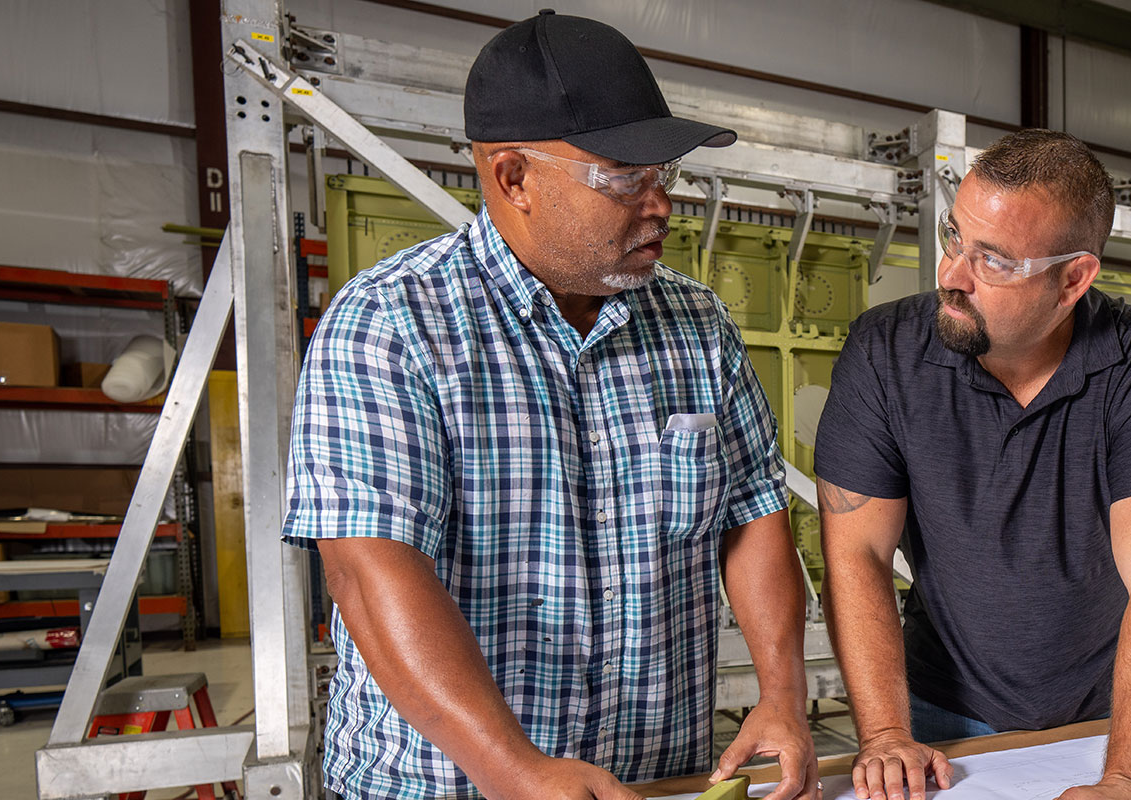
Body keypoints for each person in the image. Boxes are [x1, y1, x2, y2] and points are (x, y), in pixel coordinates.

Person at [282, 12, 816, 800]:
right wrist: (511, 766)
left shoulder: (697, 326)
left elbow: (754, 514)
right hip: (448, 785)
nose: (661, 204)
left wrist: (781, 693)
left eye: (664, 175)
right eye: (625, 179)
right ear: (513, 178)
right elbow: (370, 573)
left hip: (656, 775)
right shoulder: (393, 324)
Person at [815, 129, 1131, 800]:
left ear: (1073, 278)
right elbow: (856, 552)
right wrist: (885, 734)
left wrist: (1129, 780)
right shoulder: (885, 352)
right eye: (954, 237)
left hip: (1107, 720)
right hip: (932, 717)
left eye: (994, 261)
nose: (950, 274)